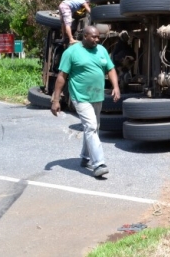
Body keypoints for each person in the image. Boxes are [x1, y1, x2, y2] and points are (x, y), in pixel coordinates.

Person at [50, 26, 120, 178]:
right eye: (94, 37)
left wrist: (116, 86)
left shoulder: (101, 50)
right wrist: (56, 100)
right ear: (85, 36)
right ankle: (98, 164)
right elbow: (62, 76)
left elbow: (111, 69)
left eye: (98, 37)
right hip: (80, 96)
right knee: (91, 126)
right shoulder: (71, 52)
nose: (97, 39)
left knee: (94, 128)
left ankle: (85, 156)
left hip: (97, 95)